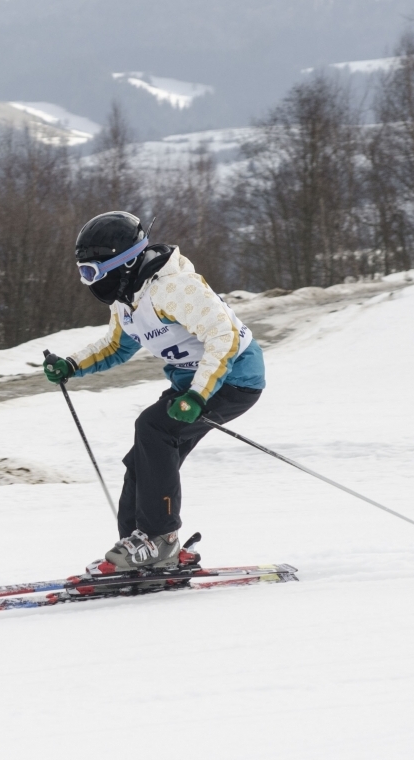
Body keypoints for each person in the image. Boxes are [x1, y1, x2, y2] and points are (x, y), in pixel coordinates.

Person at [43, 211, 266, 573]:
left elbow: (222, 337)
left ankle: (161, 540)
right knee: (143, 459)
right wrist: (72, 364)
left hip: (234, 379)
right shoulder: (127, 296)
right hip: (190, 385)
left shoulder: (175, 289)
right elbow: (116, 346)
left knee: (154, 428)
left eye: (94, 272)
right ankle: (136, 548)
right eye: (84, 272)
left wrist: (196, 395)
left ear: (126, 262)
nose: (89, 282)